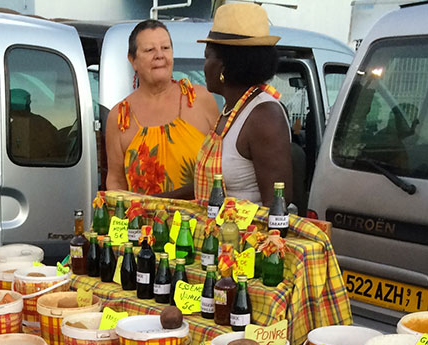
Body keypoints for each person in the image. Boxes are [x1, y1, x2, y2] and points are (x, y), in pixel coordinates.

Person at [192, 2, 293, 207]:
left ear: (223, 66)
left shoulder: (264, 116)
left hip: (242, 228)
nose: (204, 66)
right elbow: (214, 189)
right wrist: (157, 199)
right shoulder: (232, 109)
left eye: (207, 57)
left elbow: (277, 204)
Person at [106, 20, 218, 195]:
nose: (159, 55)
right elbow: (116, 182)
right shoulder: (120, 117)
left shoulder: (199, 99)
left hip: (200, 212)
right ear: (133, 60)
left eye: (165, 48)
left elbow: (225, 165)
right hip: (142, 214)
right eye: (149, 50)